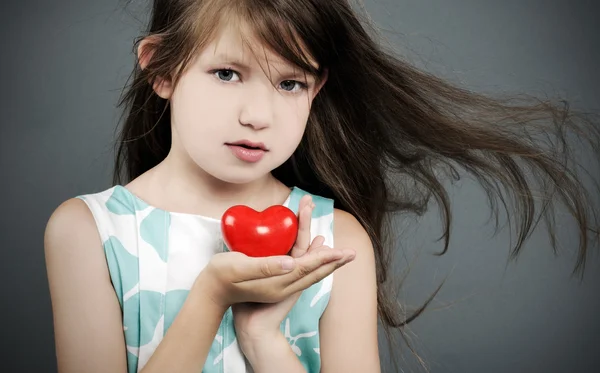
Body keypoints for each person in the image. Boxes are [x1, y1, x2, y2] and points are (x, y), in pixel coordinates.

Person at [44, 0, 600, 372]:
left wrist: (265, 341)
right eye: (227, 73)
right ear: (160, 69)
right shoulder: (89, 231)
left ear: (316, 90)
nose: (257, 114)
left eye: (290, 82)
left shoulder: (337, 240)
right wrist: (211, 296)